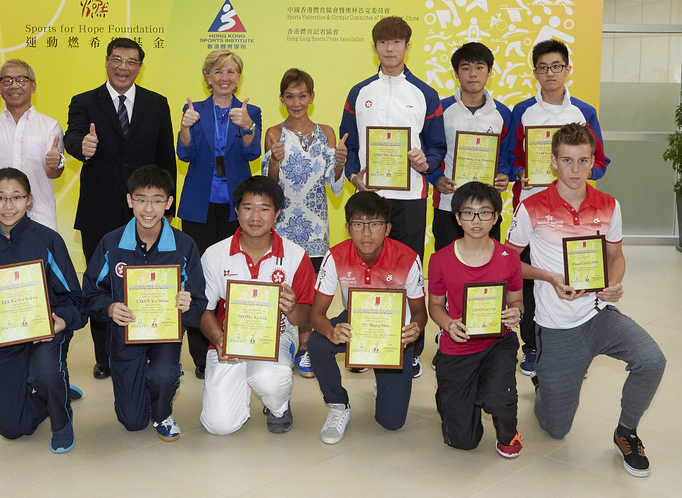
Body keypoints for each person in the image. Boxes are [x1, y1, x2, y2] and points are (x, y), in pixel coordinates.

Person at [505, 123, 665, 477]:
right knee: (555, 428)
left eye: (582, 161)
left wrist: (616, 283)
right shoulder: (530, 208)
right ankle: (545, 383)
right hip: (557, 327)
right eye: (567, 160)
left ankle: (626, 432)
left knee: (652, 360)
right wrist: (548, 277)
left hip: (599, 315)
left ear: (593, 162)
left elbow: (615, 257)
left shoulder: (609, 206)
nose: (575, 170)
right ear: (553, 162)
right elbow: (508, 262)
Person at [64, 37, 177, 381]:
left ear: (140, 67)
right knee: (101, 284)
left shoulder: (157, 103)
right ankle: (105, 357)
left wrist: (167, 211)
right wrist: (81, 146)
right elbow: (72, 137)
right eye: (117, 59)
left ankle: (148, 346)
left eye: (131, 61)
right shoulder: (84, 101)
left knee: (149, 281)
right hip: (98, 210)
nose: (123, 66)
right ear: (106, 61)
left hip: (147, 213)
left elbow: (166, 160)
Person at [0, 168, 86, 453]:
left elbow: (75, 298)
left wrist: (61, 322)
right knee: (12, 428)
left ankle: (61, 418)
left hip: (45, 335)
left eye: (16, 197)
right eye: (0, 198)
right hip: (4, 342)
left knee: (46, 372)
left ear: (29, 200)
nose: (8, 206)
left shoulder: (48, 241)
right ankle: (53, 394)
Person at [339, 15, 445, 378]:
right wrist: (353, 173)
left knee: (407, 271)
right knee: (364, 270)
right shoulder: (359, 92)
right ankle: (365, 342)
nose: (389, 48)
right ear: (375, 47)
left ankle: (410, 347)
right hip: (370, 195)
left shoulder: (425, 94)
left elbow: (437, 146)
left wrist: (426, 160)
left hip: (410, 195)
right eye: (383, 42)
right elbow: (347, 141)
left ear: (406, 46)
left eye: (396, 42)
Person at [501, 39, 610, 377]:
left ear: (567, 69)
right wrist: (520, 171)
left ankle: (574, 342)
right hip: (533, 209)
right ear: (534, 72)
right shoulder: (522, 111)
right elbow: (509, 156)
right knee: (530, 278)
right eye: (543, 67)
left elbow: (601, 162)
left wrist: (581, 169)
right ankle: (531, 347)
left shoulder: (584, 112)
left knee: (575, 274)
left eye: (556, 66)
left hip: (574, 212)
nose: (550, 73)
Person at [82, 165, 207, 441]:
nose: (148, 209)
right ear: (129, 201)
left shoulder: (184, 245)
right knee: (133, 421)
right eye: (141, 199)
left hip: (165, 335)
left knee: (162, 376)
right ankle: (134, 393)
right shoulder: (111, 244)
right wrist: (110, 308)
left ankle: (163, 407)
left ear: (169, 203)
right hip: (125, 336)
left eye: (157, 200)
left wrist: (188, 304)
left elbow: (199, 302)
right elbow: (89, 293)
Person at [198, 176, 315, 435]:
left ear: (277, 214)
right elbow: (203, 310)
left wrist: (292, 307)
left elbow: (306, 316)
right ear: (237, 211)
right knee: (220, 426)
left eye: (265, 208)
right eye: (248, 207)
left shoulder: (296, 256)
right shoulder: (214, 254)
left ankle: (279, 406)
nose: (255, 216)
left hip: (278, 337)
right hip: (228, 341)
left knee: (271, 380)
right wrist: (218, 339)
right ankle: (238, 385)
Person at [307, 192, 426, 444]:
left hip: (395, 332)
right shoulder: (335, 256)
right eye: (359, 224)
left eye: (375, 224)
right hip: (355, 321)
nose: (367, 233)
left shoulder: (409, 258)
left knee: (391, 422)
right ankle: (338, 404)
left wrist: (415, 328)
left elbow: (419, 312)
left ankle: (385, 382)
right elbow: (316, 314)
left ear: (388, 228)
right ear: (348, 228)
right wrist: (331, 332)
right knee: (317, 343)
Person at [177, 49, 262, 378]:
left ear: (238, 77)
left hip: (234, 205)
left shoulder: (249, 110)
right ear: (207, 77)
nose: (225, 77)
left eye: (231, 72)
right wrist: (185, 128)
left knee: (233, 274)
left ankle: (235, 340)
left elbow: (251, 151)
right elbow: (185, 153)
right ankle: (201, 356)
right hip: (199, 203)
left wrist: (248, 127)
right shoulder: (193, 110)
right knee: (199, 277)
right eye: (218, 71)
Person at [427, 182, 524, 457]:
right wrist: (448, 324)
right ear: (457, 217)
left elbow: (517, 300)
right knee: (463, 441)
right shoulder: (440, 259)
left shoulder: (509, 258)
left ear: (495, 217)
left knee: (499, 397)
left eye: (484, 213)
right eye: (468, 213)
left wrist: (516, 312)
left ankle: (508, 428)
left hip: (497, 342)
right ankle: (451, 392)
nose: (476, 220)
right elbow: (435, 305)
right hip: (457, 347)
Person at [261, 68, 347, 378]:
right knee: (283, 283)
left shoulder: (326, 132)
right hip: (284, 224)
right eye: (290, 96)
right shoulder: (273, 132)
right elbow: (269, 187)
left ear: (312, 97)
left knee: (312, 287)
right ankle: (278, 339)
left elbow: (333, 184)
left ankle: (306, 345)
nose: (296, 102)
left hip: (317, 224)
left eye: (302, 95)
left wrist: (339, 162)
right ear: (281, 99)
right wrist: (273, 161)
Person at [429, 43, 511, 249]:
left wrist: (504, 175)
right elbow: (429, 150)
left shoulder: (502, 113)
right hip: (448, 204)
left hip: (488, 208)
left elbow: (509, 155)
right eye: (466, 68)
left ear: (490, 72)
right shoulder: (441, 110)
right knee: (448, 263)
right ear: (456, 73)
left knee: (488, 266)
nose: (473, 74)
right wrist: (436, 179)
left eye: (480, 67)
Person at [0, 59, 64, 230]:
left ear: (33, 86)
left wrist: (55, 162)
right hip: (0, 219)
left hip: (40, 219)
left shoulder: (50, 126)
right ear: (0, 88)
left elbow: (54, 173)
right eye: (7, 80)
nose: (14, 85)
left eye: (22, 80)